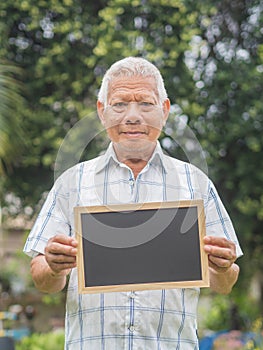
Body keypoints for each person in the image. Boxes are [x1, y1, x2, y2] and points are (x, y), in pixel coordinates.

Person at [24, 57, 243, 349]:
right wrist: (53, 266)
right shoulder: (71, 183)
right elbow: (43, 280)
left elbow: (225, 283)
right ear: (102, 112)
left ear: (164, 111)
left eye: (146, 104)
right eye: (119, 104)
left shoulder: (196, 183)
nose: (132, 116)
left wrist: (223, 267)